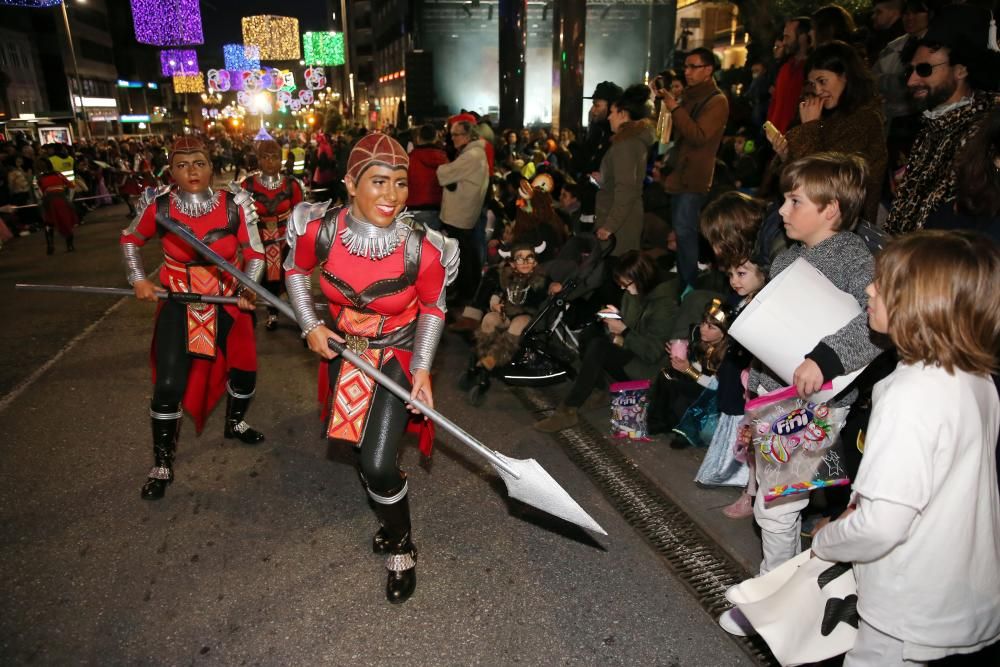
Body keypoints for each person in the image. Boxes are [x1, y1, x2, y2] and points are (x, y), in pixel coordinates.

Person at [284, 133, 458, 604]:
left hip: (399, 354)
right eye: (378, 182)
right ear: (350, 183)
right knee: (358, 452)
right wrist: (309, 326)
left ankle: (402, 545)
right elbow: (294, 271)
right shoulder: (317, 229)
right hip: (345, 354)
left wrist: (422, 370)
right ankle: (388, 513)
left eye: (400, 183)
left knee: (379, 462)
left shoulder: (424, 247)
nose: (392, 195)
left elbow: (434, 309)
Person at [812, 230, 1000, 666]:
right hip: (964, 595)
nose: (868, 289)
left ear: (920, 303)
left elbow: (883, 526)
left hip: (908, 610)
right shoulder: (975, 378)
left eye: (883, 283)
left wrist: (828, 541)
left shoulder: (910, 391)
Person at [751, 153, 888, 572]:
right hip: (777, 396)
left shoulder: (852, 259)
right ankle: (781, 591)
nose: (782, 210)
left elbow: (877, 326)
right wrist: (757, 386)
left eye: (795, 202)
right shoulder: (786, 258)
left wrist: (825, 359)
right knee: (776, 505)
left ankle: (770, 596)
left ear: (830, 209)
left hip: (817, 403)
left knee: (776, 509)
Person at [120, 137, 267, 501]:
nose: (192, 171)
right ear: (171, 170)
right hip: (178, 302)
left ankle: (235, 422)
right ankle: (162, 461)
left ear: (211, 166)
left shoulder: (235, 205)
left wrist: (250, 288)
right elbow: (130, 240)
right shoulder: (160, 206)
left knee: (245, 371)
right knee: (169, 384)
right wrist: (138, 278)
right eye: (182, 165)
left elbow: (256, 253)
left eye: (199, 163)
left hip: (229, 300)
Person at [886, 3, 1000, 235]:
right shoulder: (932, 124)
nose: (912, 81)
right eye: (911, 71)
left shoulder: (986, 129)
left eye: (925, 70)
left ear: (961, 70)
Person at [534, 250, 679, 433]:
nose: (622, 288)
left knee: (599, 348)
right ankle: (599, 388)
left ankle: (568, 410)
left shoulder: (665, 304)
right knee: (590, 333)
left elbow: (652, 353)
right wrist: (614, 319)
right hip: (630, 348)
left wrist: (623, 331)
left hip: (649, 368)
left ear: (641, 278)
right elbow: (630, 325)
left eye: (626, 283)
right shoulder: (633, 292)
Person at [769, 40, 888, 224]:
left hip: (842, 228)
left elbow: (825, 182)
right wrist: (786, 155)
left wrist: (809, 127)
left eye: (822, 81)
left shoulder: (865, 120)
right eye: (812, 83)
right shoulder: (829, 115)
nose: (818, 90)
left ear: (846, 76)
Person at [660, 47, 730, 289]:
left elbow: (698, 136)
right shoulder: (691, 97)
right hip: (680, 174)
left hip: (695, 177)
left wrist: (675, 108)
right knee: (681, 232)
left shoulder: (717, 101)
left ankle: (689, 284)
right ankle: (684, 279)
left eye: (693, 67)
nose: (687, 72)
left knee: (685, 231)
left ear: (708, 70)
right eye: (686, 67)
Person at [461, 240, 550, 406]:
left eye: (529, 258)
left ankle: (491, 359)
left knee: (517, 323)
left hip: (528, 314)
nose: (525, 262)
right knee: (489, 319)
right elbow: (497, 293)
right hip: (507, 311)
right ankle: (482, 355)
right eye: (520, 258)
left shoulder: (540, 279)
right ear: (512, 263)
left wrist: (554, 287)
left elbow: (546, 293)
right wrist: (495, 303)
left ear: (535, 261)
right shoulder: (506, 277)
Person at [241, 139, 305, 330]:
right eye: (265, 158)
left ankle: (303, 320)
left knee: (292, 281)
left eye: (275, 158)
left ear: (281, 160)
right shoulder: (247, 185)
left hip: (286, 240)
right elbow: (240, 218)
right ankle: (272, 313)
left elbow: (300, 214)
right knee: (262, 282)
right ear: (258, 160)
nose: (270, 162)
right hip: (257, 242)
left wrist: (298, 241)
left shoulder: (291, 185)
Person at [594, 84, 656, 257]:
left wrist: (609, 226)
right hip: (624, 218)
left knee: (618, 273)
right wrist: (605, 179)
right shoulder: (633, 141)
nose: (609, 118)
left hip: (620, 226)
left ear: (622, 115)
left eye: (612, 112)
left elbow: (627, 188)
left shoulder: (626, 144)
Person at [437, 118, 490, 305]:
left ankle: (465, 295)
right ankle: (465, 292)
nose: (453, 139)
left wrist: (443, 165)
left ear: (467, 135)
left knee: (464, 257)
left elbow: (444, 174)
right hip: (463, 213)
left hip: (460, 214)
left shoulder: (471, 155)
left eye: (456, 135)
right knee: (465, 255)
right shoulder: (474, 153)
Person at [767, 17, 812, 136]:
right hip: (776, 139)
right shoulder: (785, 67)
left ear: (802, 37)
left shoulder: (812, 71)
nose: (784, 42)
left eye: (787, 37)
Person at [406, 124, 449, 231]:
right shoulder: (444, 159)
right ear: (436, 138)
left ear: (418, 138)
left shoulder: (409, 159)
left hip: (413, 208)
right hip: (437, 209)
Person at [35, 157, 78, 254]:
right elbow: (71, 186)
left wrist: (41, 200)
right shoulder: (58, 174)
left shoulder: (38, 178)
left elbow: (37, 191)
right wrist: (69, 199)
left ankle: (50, 245)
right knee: (66, 222)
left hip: (49, 200)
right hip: (61, 199)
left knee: (48, 222)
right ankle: (69, 245)